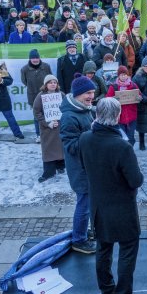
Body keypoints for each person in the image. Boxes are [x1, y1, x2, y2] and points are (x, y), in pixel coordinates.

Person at [79, 98, 147, 294]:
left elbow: (85, 167)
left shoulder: (85, 139)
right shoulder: (121, 146)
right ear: (117, 116)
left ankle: (107, 292)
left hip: (99, 206)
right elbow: (135, 181)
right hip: (122, 210)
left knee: (103, 249)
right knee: (127, 252)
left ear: (97, 115)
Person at [59, 75, 97, 254]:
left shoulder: (84, 109)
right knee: (84, 205)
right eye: (88, 93)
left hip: (90, 166)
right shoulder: (68, 117)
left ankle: (85, 232)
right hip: (80, 169)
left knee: (90, 203)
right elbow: (71, 146)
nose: (91, 96)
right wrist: (93, 135)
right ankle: (78, 240)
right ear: (78, 94)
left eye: (93, 92)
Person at [32, 75, 65, 182]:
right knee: (48, 150)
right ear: (46, 85)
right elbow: (36, 112)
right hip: (47, 129)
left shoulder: (61, 94)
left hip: (60, 127)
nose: (53, 84)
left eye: (55, 82)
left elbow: (66, 108)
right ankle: (49, 172)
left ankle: (60, 166)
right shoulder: (40, 96)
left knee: (60, 147)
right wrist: (47, 123)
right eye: (50, 82)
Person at [21, 49, 52, 143]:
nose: (35, 60)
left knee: (48, 115)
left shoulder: (46, 66)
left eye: (37, 57)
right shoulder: (24, 69)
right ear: (30, 59)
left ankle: (49, 134)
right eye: (33, 58)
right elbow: (24, 81)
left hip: (46, 95)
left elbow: (50, 79)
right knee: (37, 117)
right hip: (33, 96)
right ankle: (38, 135)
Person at [106, 66, 139, 145]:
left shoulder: (133, 85)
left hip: (131, 116)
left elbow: (139, 95)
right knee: (122, 137)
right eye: (121, 75)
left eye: (125, 74)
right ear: (118, 76)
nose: (123, 76)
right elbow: (107, 99)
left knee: (131, 137)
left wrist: (139, 98)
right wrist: (113, 99)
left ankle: (130, 151)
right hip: (119, 117)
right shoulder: (113, 87)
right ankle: (124, 152)